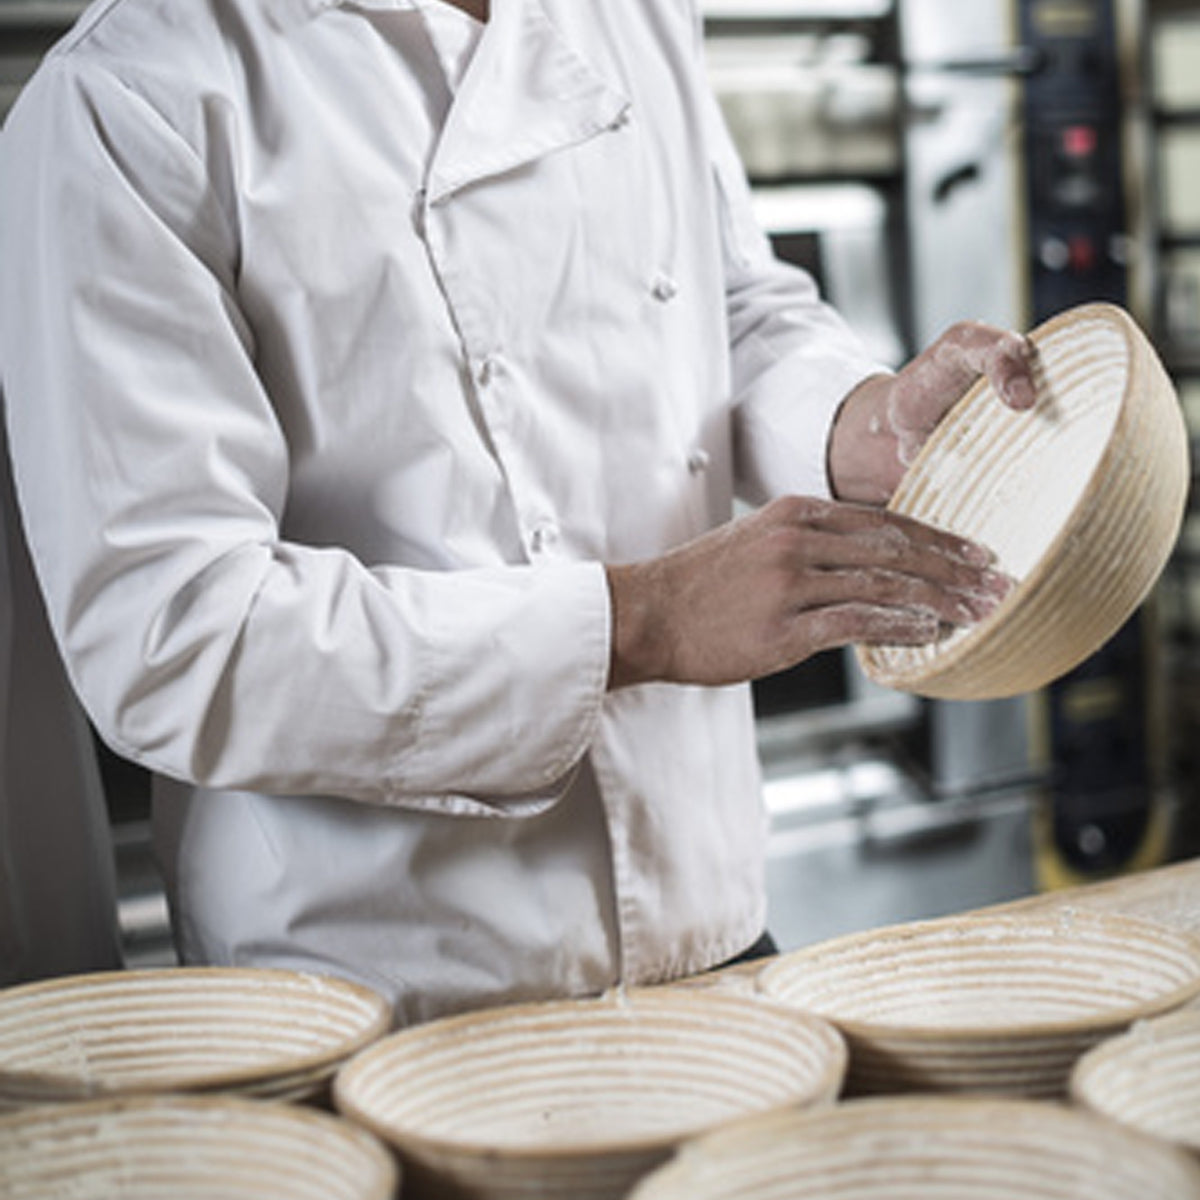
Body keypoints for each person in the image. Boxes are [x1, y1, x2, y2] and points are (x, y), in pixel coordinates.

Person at [0, 0, 1034, 1021]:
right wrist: (646, 620)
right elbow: (177, 637)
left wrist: (862, 421)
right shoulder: (127, 92)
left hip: (706, 923)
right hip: (378, 990)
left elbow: (730, 304)